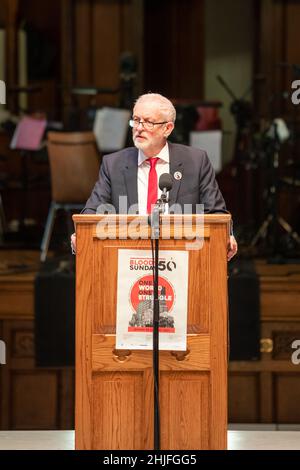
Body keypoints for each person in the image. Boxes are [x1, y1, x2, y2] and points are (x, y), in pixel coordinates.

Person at [71, 93, 237, 260]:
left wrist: (226, 235)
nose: (139, 127)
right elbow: (92, 212)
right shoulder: (113, 164)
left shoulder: (196, 161)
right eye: (136, 120)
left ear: (168, 128)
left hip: (182, 257)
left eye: (148, 122)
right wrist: (81, 233)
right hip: (127, 257)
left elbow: (216, 212)